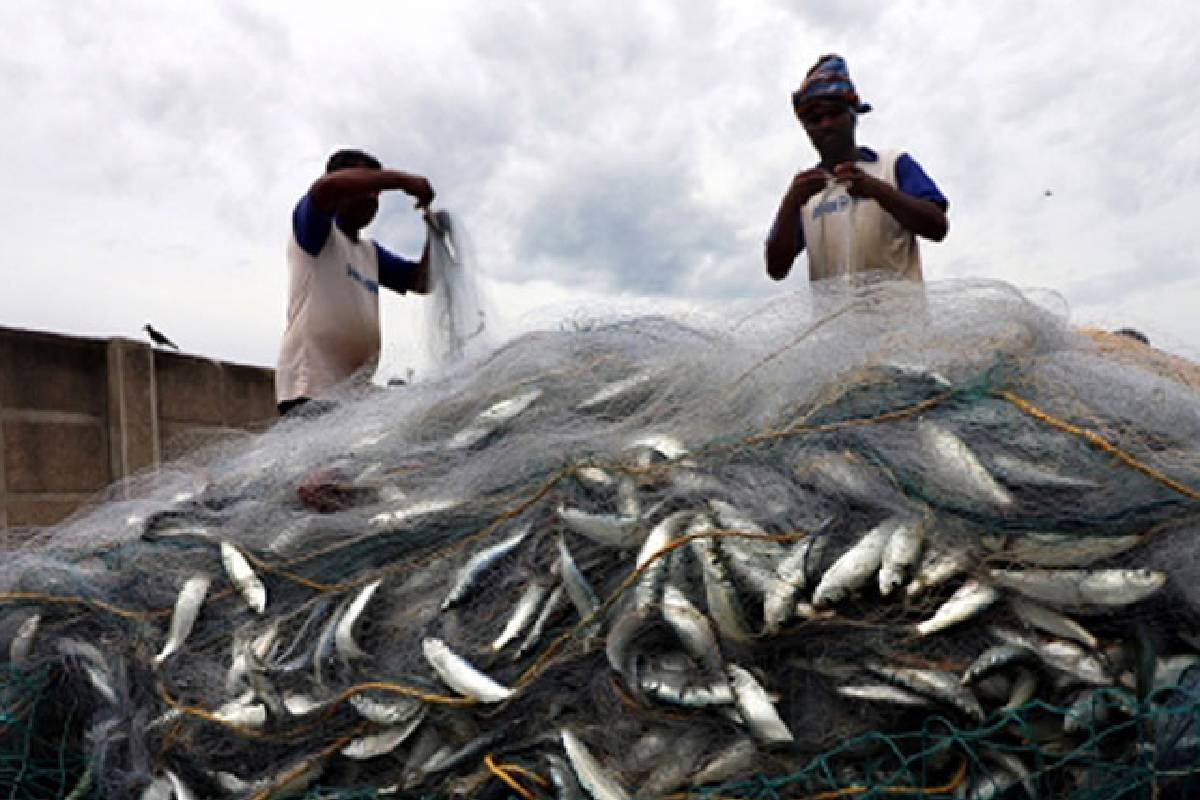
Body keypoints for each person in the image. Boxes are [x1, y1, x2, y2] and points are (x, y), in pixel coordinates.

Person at [276, 149, 437, 416]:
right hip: (311, 387)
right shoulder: (315, 231)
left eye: (377, 193)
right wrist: (402, 181)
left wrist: (434, 235)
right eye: (367, 185)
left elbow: (423, 282)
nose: (373, 198)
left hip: (355, 396)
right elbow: (325, 189)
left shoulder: (370, 252)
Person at [765, 54, 949, 284]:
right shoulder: (806, 191)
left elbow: (938, 227)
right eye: (815, 119)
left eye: (834, 113)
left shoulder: (892, 163)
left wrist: (876, 190)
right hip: (835, 321)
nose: (826, 124)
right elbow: (776, 269)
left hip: (900, 319)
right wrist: (790, 202)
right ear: (806, 128)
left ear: (853, 114)